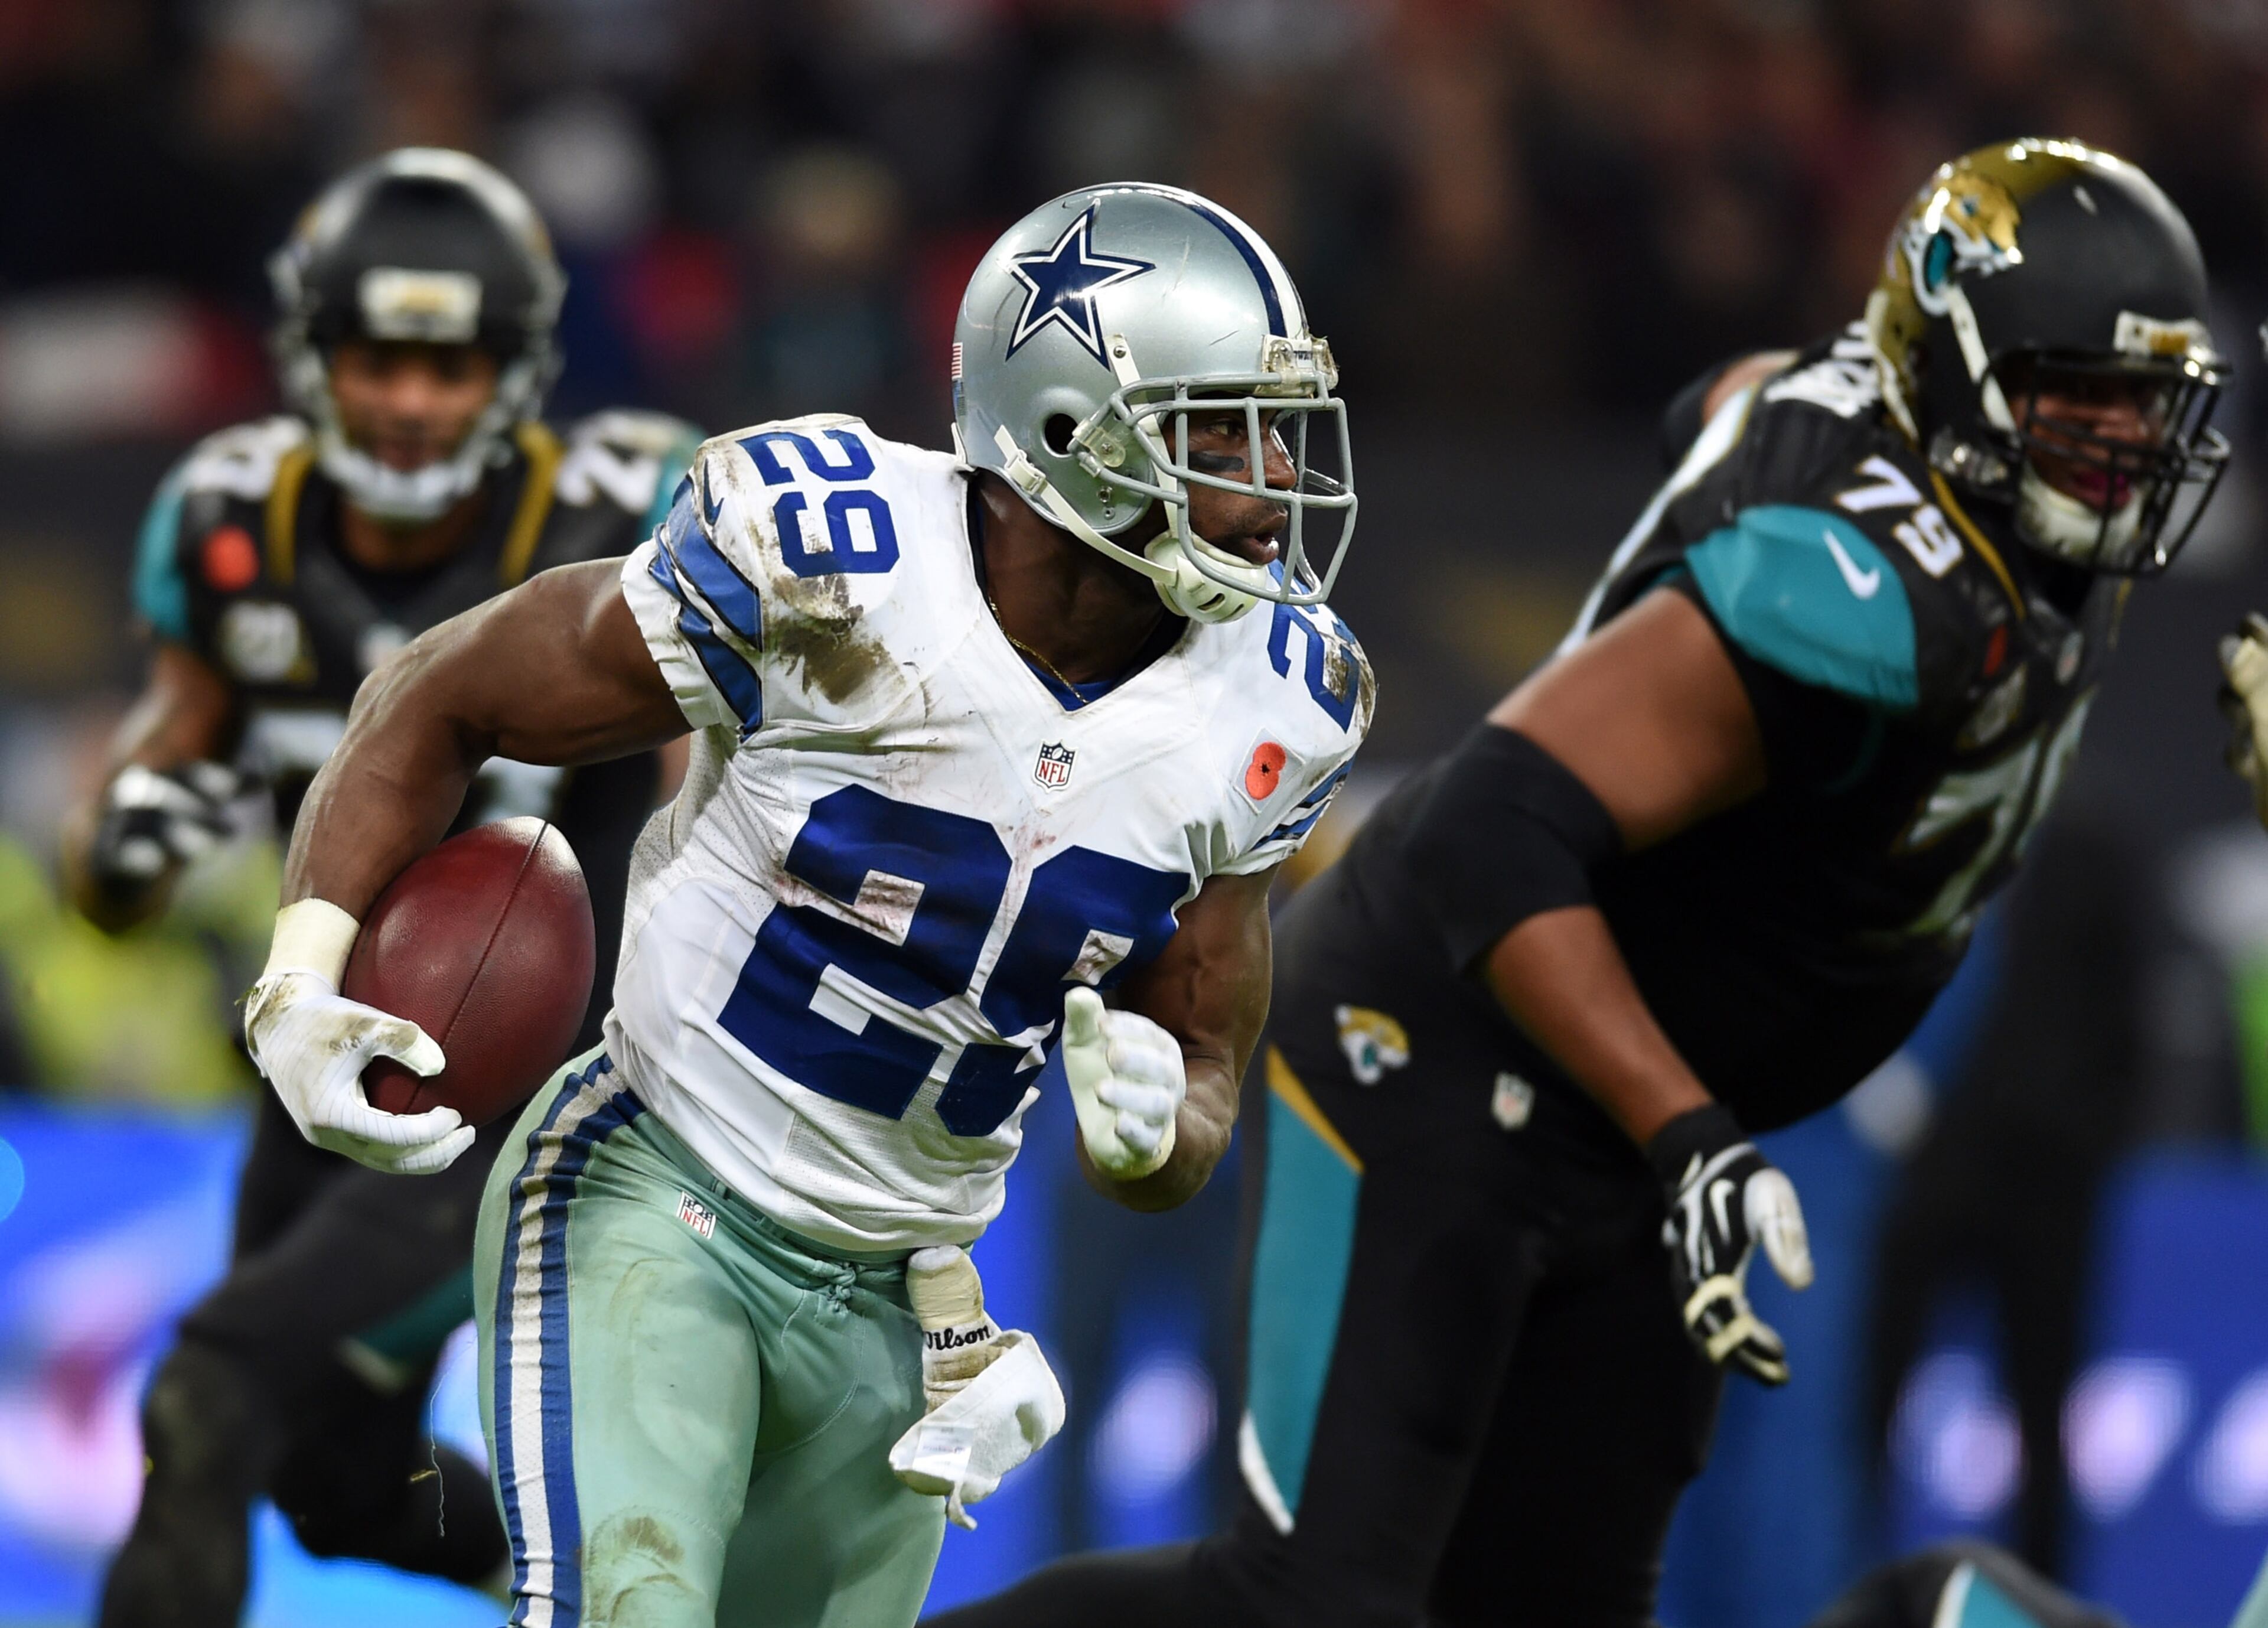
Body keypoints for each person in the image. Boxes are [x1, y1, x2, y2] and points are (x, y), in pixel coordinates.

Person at [927, 138, 2228, 1628]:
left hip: (1621, 1116)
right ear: (1964, 369)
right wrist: (1687, 1130)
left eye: (2150, 409)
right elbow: (1486, 834)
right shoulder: (1853, 592)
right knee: (1316, 1600)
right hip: (1435, 1048)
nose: (2124, 452)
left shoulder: (1949, 480)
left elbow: (1732, 396)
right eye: (2085, 404)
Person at [240, 182, 1372, 1627]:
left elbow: (1198, 1077)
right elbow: (443, 690)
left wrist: (1164, 1118)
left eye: (1277, 431)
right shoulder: (834, 559)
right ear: (1071, 430)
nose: (1272, 478)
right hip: (657, 1191)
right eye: (1219, 432)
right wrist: (301, 972)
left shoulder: (1279, 699)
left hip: (911, 1307)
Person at [69, 147, 701, 1626]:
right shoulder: (237, 524)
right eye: (378, 357)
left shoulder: (626, 505)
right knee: (337, 1482)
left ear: (520, 370)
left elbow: (714, 802)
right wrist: (127, 841)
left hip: (528, 1082)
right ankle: (610, 1595)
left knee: (211, 1390)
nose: (413, 401)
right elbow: (112, 866)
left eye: (453, 361)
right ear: (311, 355)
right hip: (317, 1051)